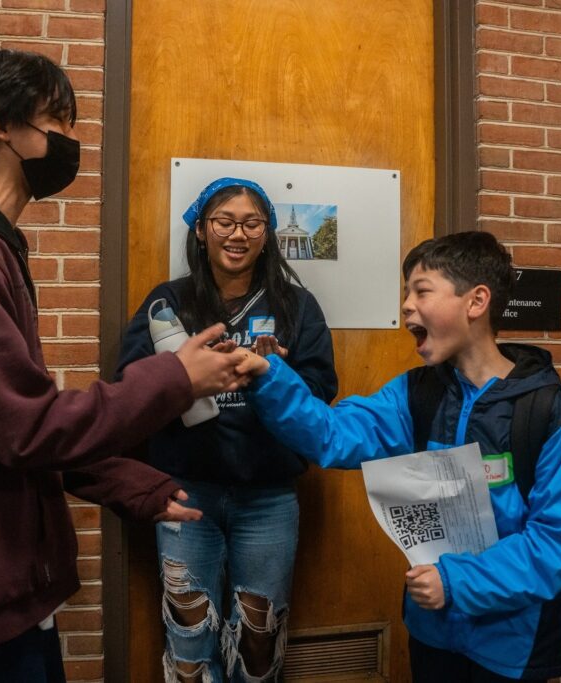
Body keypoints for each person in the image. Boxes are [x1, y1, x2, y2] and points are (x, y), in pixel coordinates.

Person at [0, 47, 246, 682]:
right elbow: (26, 429)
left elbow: (7, 428)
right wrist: (176, 378)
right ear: (2, 126)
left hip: (6, 590)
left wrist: (136, 488)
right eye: (60, 122)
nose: (71, 141)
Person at [235, 231, 561, 682]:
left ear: (476, 301)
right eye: (406, 293)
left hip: (514, 645)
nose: (406, 305)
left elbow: (557, 543)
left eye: (422, 291)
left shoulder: (548, 414)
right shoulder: (414, 395)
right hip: (433, 633)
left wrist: (456, 582)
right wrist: (270, 377)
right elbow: (332, 434)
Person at [116, 177, 338, 682]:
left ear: (267, 234)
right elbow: (127, 388)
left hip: (269, 497)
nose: (237, 234)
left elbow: (324, 390)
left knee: (259, 639)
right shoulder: (166, 304)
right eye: (224, 221)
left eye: (251, 223)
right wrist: (184, 379)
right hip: (185, 494)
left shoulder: (297, 307)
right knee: (189, 636)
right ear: (201, 230)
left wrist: (279, 373)